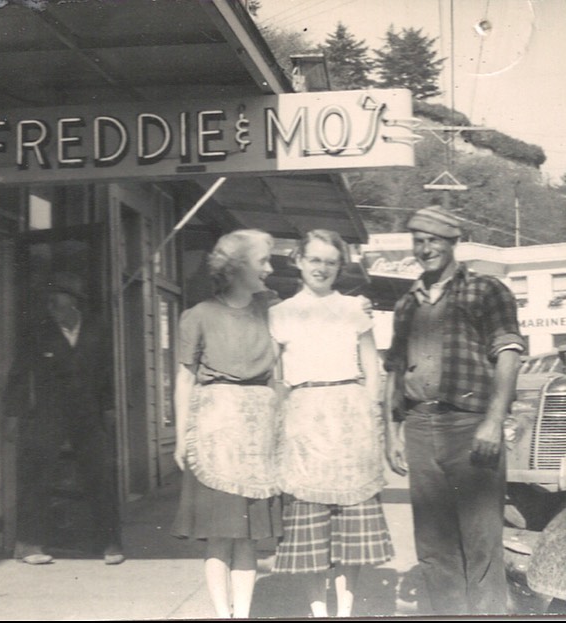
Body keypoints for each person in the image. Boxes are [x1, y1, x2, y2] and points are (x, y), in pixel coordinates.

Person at [383, 205, 525, 615]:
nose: (426, 249)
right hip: (419, 426)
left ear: (452, 243)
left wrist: (493, 421)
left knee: (481, 544)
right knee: (433, 547)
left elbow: (509, 355)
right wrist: (391, 432)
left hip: (470, 427)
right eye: (419, 241)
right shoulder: (406, 304)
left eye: (434, 241)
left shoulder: (487, 290)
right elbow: (394, 369)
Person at [269, 229, 394, 618]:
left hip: (349, 417)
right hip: (304, 420)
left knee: (352, 524)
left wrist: (368, 412)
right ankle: (318, 610)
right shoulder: (279, 312)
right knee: (310, 525)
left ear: (340, 267)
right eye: (315, 259)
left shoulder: (355, 308)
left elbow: (373, 369)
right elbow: (274, 378)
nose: (321, 268)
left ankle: (346, 610)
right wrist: (282, 424)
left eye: (330, 261)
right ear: (298, 261)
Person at [170, 229, 282, 619]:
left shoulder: (271, 310)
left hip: (258, 435)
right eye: (262, 261)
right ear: (236, 267)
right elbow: (185, 379)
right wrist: (183, 436)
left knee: (249, 536)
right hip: (215, 431)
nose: (269, 269)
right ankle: (222, 613)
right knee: (219, 534)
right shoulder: (199, 316)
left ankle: (245, 613)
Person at [4, 271, 124, 566]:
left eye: (56, 301)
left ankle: (108, 544)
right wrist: (12, 414)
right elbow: (19, 374)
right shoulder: (39, 330)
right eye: (48, 303)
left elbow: (106, 374)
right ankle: (29, 544)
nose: (51, 308)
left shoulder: (96, 329)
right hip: (48, 413)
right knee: (37, 473)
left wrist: (108, 409)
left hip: (88, 413)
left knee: (99, 474)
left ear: (73, 303)